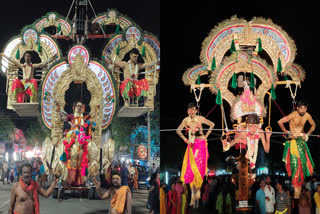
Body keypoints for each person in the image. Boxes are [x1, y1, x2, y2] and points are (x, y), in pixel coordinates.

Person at [177, 102, 214, 205]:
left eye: (193, 109)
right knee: (190, 170)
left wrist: (206, 135)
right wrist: (186, 140)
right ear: (187, 111)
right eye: (189, 110)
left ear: (196, 110)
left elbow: (212, 124)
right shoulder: (186, 120)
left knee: (198, 168)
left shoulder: (200, 118)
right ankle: (193, 194)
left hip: (200, 145)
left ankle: (197, 191)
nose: (191, 111)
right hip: (191, 145)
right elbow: (178, 131)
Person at [278, 100, 315, 198]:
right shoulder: (293, 115)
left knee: (303, 165)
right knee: (295, 166)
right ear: (297, 108)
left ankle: (298, 194)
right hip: (293, 142)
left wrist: (308, 134)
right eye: (301, 108)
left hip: (301, 142)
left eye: (305, 108)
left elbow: (313, 125)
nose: (303, 110)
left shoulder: (307, 115)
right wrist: (286, 131)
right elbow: (280, 122)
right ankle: (295, 194)